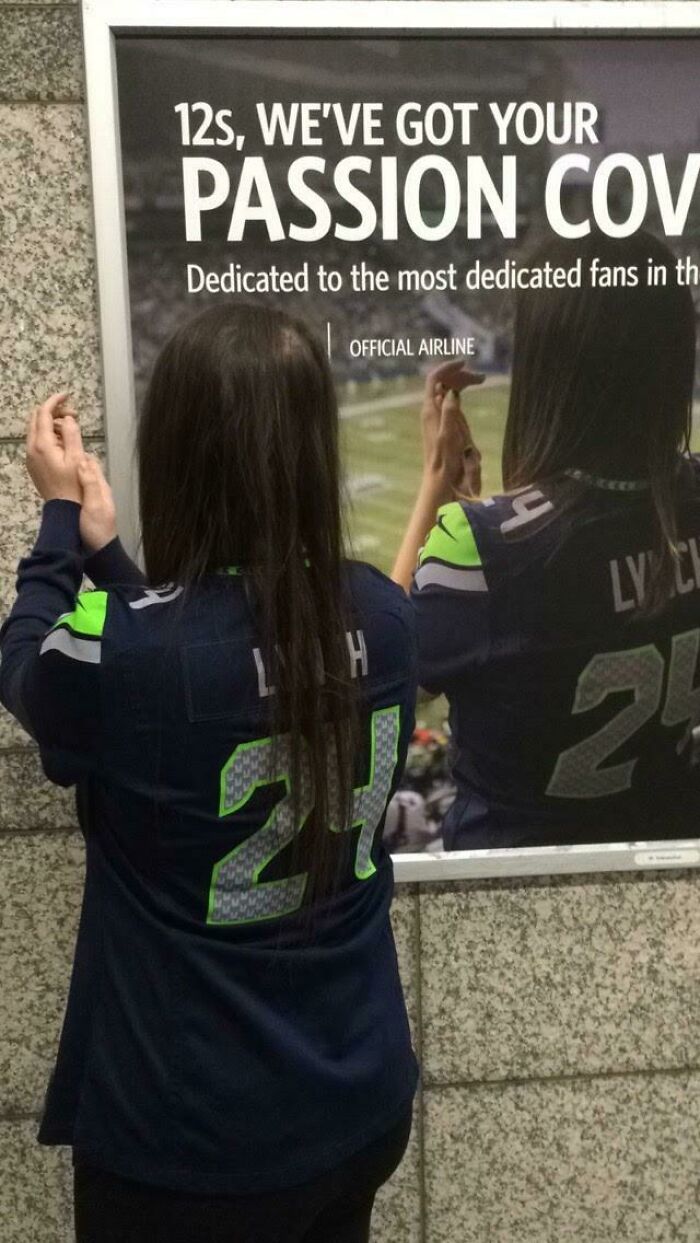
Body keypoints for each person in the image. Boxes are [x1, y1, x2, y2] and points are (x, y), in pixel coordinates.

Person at [0, 304, 420, 1243]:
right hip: (356, 1092)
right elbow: (220, 660)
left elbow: (29, 665)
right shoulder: (386, 617)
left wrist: (61, 526)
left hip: (196, 1135)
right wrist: (113, 560)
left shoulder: (129, 654)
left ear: (178, 448)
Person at [393, 230, 700, 849]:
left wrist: (437, 486)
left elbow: (377, 677)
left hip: (510, 879)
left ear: (548, 365)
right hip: (670, 854)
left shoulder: (479, 549)